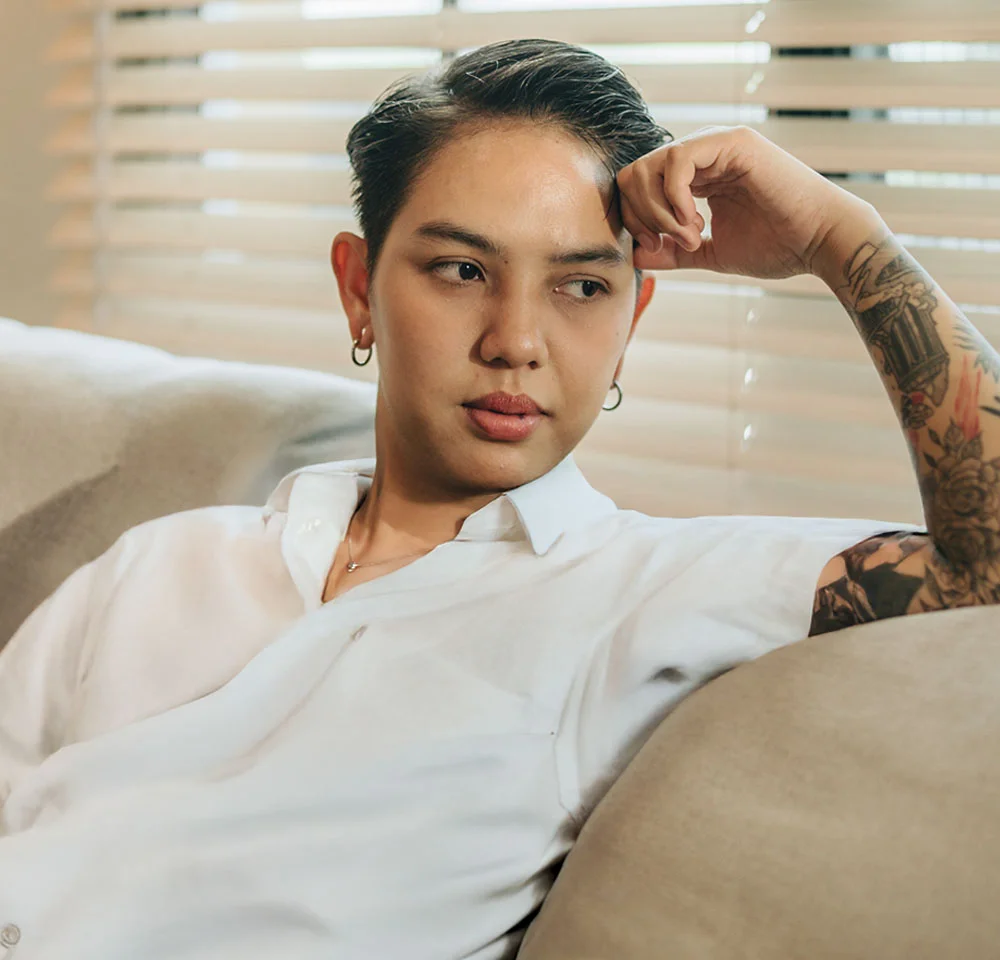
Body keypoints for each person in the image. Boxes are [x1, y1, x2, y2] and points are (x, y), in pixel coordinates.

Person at [0, 36, 996, 960]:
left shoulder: (642, 591)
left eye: (580, 287)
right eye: (462, 269)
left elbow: (981, 566)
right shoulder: (162, 562)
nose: (514, 339)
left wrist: (841, 237)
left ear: (631, 319)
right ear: (359, 290)